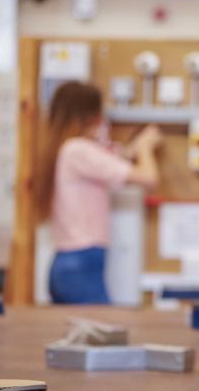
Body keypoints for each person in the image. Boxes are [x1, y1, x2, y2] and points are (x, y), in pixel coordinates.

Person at [36, 81, 162, 304]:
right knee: (104, 334)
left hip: (71, 263)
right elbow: (149, 178)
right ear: (91, 115)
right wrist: (146, 148)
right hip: (81, 264)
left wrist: (134, 148)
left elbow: (117, 160)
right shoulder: (78, 150)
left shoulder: (68, 150)